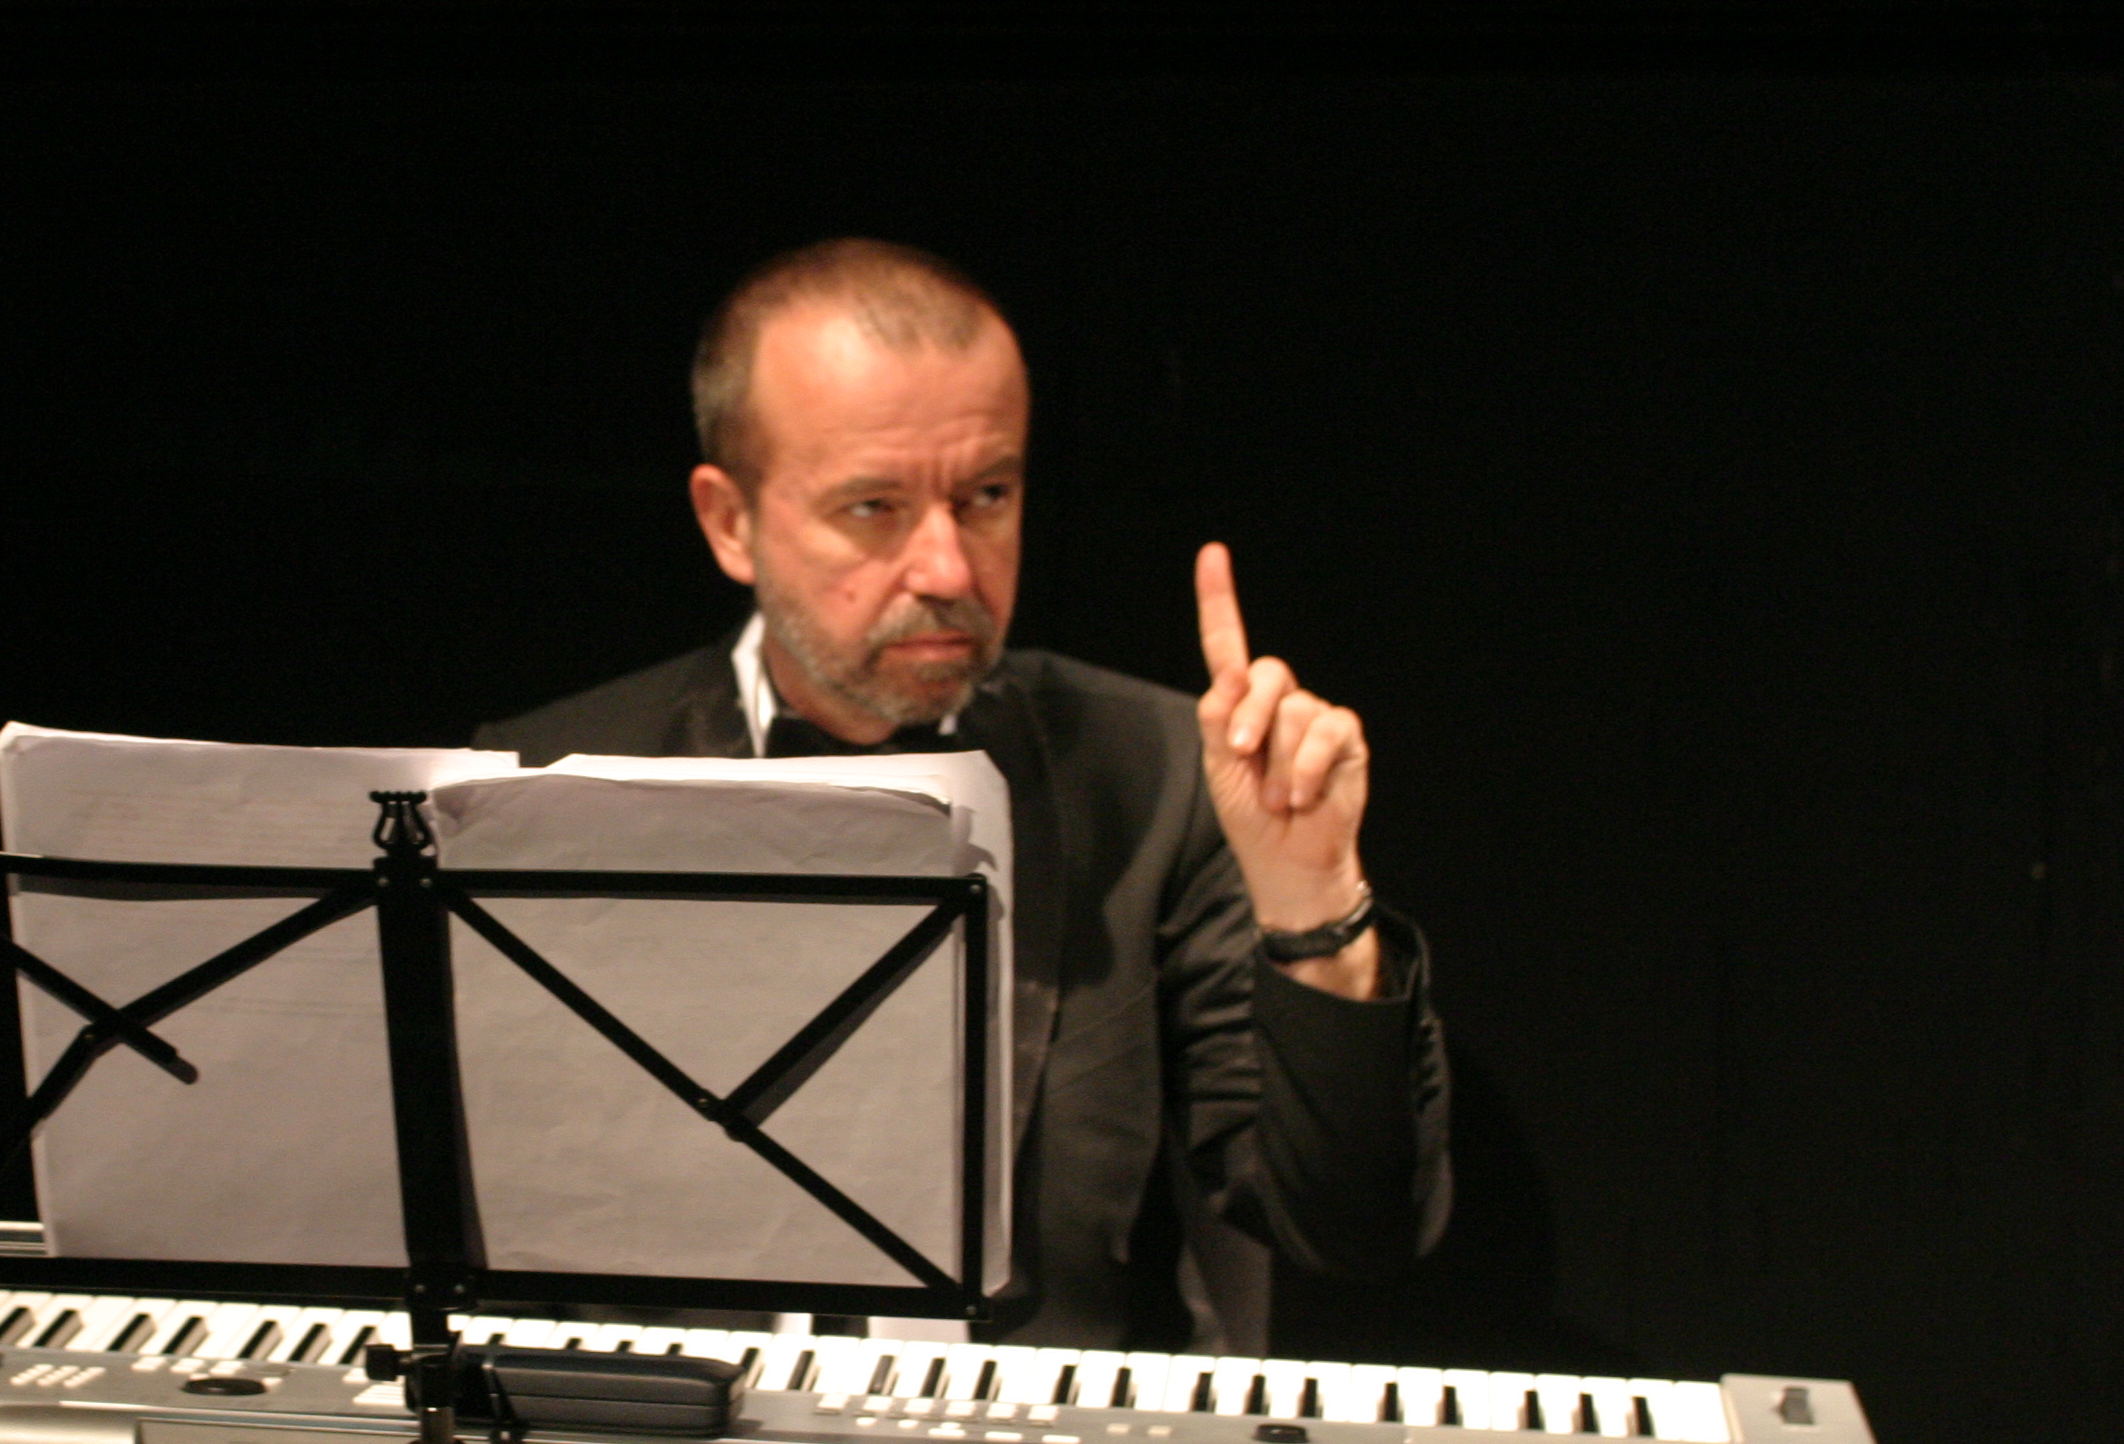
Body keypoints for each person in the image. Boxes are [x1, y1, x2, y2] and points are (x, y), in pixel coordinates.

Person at [474, 239, 1450, 1352]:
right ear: (729, 522)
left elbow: (1351, 1228)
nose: (947, 567)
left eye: (987, 494)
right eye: (874, 507)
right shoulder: (538, 785)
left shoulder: (1162, 777)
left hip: (1049, 1443)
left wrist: (1315, 907)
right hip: (662, 1435)